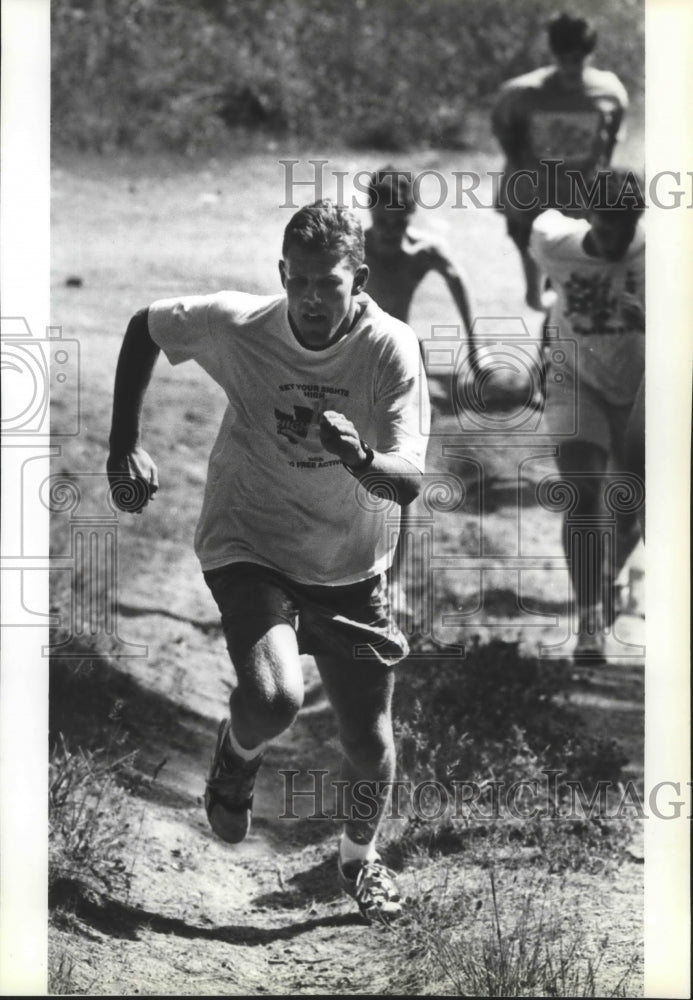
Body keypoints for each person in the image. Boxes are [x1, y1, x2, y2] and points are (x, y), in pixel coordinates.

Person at [106, 199, 430, 924]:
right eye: (301, 282)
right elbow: (144, 328)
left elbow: (408, 481)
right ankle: (238, 752)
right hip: (248, 541)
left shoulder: (389, 349)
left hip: (351, 563)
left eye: (331, 284)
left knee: (368, 740)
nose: (313, 299)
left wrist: (362, 458)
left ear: (361, 279)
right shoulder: (240, 324)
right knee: (276, 696)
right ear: (282, 274)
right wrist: (121, 444)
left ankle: (357, 858)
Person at [529, 168, 645, 662]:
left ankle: (613, 574)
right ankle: (590, 621)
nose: (616, 238)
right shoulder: (556, 241)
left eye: (626, 225)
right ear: (588, 216)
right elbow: (534, 219)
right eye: (606, 225)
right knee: (581, 490)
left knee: (631, 505)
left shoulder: (664, 253)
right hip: (574, 381)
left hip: (642, 385)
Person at [363, 167, 476, 609]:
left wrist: (477, 350)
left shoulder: (421, 250)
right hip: (354, 359)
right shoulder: (354, 244)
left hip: (403, 366)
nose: (391, 230)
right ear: (371, 210)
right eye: (384, 220)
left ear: (410, 215)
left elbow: (458, 278)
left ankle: (394, 582)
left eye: (400, 221)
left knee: (405, 473)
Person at [491, 12, 629, 311]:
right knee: (537, 293)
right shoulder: (522, 93)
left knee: (570, 281)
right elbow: (504, 131)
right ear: (553, 53)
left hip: (579, 200)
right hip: (531, 199)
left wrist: (598, 184)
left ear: (589, 54)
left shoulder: (609, 92)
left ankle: (555, 344)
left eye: (578, 58)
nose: (571, 66)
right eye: (564, 57)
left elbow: (612, 137)